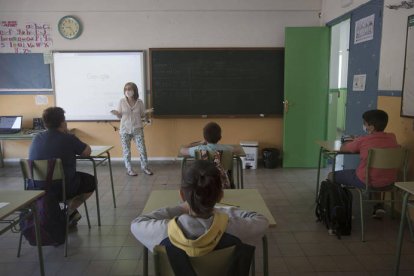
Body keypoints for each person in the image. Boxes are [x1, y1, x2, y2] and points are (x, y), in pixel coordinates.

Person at [130, 159, 269, 255]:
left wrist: (181, 208)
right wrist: (222, 210)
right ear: (220, 196)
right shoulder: (234, 228)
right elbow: (261, 220)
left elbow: (136, 223)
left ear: (181, 195)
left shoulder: (164, 231)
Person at [29, 107, 96, 227]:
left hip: (36, 188)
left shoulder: (36, 138)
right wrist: (70, 134)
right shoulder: (68, 138)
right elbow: (87, 152)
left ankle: (63, 215)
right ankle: (67, 213)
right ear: (62, 122)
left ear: (45, 123)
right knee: (91, 181)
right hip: (62, 188)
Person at [327, 109, 399, 219]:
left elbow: (343, 148)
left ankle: (342, 209)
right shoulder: (392, 138)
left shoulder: (364, 140)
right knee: (377, 173)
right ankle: (378, 206)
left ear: (371, 127)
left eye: (365, 123)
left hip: (365, 180)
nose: (364, 125)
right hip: (389, 181)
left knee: (332, 176)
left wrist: (349, 140)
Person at [111, 82, 153, 176]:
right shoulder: (122, 101)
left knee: (142, 149)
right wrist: (116, 113)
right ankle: (129, 169)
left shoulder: (139, 102)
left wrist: (147, 112)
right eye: (126, 89)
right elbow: (120, 115)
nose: (128, 91)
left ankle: (145, 167)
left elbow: (142, 114)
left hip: (137, 128)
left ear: (134, 91)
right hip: (125, 129)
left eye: (130, 89)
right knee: (126, 151)